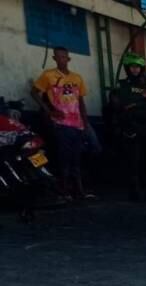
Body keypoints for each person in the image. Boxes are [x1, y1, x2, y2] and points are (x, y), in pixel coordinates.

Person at [31, 47, 93, 199]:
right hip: (61, 124)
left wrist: (85, 124)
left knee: (76, 159)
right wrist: (48, 111)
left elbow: (81, 102)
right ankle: (64, 191)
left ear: (68, 59)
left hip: (77, 124)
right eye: (58, 57)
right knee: (63, 159)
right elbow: (33, 92)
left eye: (64, 57)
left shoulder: (77, 78)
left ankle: (79, 191)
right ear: (54, 58)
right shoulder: (48, 75)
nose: (61, 59)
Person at [112, 53, 146, 201]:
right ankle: (134, 192)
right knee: (133, 162)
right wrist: (141, 103)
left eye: (138, 67)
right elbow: (120, 106)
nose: (135, 70)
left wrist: (136, 104)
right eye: (133, 67)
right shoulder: (122, 85)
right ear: (127, 68)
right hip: (130, 128)